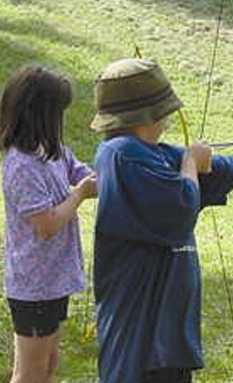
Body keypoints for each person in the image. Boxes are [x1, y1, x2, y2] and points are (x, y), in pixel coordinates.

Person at [91, 58, 233, 383]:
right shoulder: (120, 155)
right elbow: (179, 208)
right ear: (155, 111)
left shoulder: (157, 154)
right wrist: (190, 163)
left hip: (168, 335)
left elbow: (228, 168)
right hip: (138, 332)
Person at [0, 65, 97, 383]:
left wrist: (91, 177)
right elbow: (47, 225)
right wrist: (81, 194)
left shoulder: (51, 151)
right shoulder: (21, 166)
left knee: (49, 363)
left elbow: (78, 169)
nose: (62, 121)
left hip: (54, 281)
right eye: (58, 113)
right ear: (40, 114)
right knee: (30, 373)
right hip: (34, 287)